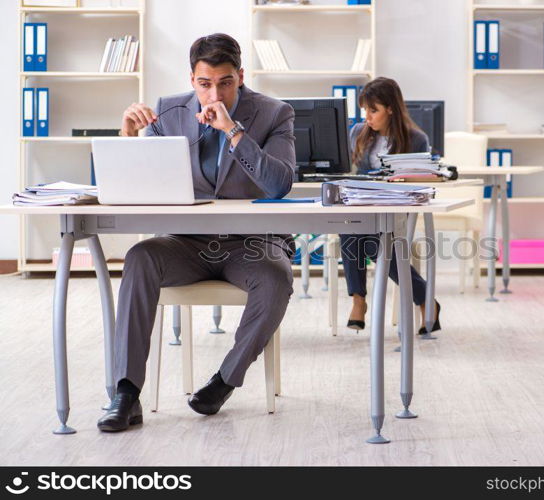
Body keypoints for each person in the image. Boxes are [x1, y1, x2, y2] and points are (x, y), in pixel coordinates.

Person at [98, 33, 296, 432]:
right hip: (185, 244)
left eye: (225, 82)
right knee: (140, 258)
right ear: (192, 79)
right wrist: (127, 137)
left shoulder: (275, 113)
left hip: (250, 245)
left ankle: (223, 382)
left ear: (240, 76)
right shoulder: (167, 113)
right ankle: (125, 393)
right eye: (205, 84)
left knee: (276, 279)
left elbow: (280, 184)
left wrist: (234, 132)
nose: (215, 94)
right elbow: (133, 188)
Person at [340, 77, 441, 333]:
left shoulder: (416, 139)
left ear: (391, 109)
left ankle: (360, 302)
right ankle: (363, 299)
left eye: (373, 110)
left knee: (371, 240)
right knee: (350, 226)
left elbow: (420, 180)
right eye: (365, 110)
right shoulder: (357, 133)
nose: (367, 117)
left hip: (395, 210)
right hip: (363, 207)